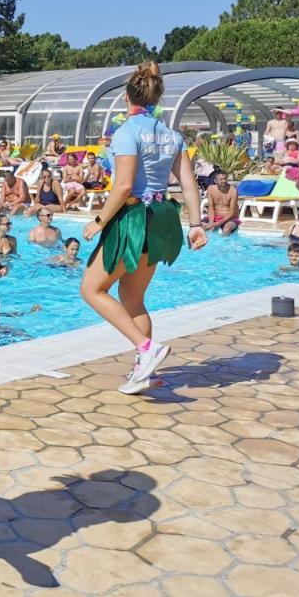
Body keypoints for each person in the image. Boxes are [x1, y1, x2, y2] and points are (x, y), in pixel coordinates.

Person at [81, 61, 207, 395]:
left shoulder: (126, 133)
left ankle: (146, 348)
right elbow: (189, 185)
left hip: (134, 220)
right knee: (134, 299)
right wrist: (196, 224)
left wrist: (98, 221)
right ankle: (145, 371)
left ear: (127, 98)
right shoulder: (173, 136)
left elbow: (123, 187)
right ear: (156, 98)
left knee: (92, 289)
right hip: (164, 218)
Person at [204, 171, 241, 235]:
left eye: (225, 178)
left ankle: (225, 245)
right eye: (221, 179)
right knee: (201, 226)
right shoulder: (210, 189)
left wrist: (217, 224)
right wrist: (211, 223)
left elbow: (232, 213)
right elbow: (211, 207)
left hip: (230, 218)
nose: (223, 181)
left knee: (226, 230)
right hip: (215, 217)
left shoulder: (233, 191)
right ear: (215, 181)